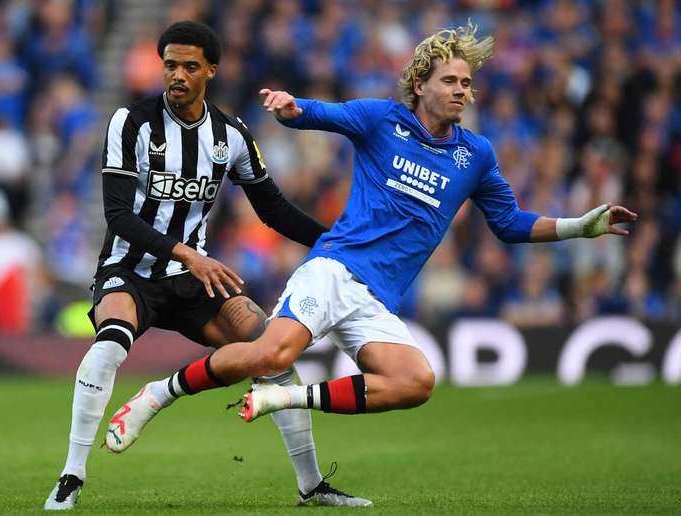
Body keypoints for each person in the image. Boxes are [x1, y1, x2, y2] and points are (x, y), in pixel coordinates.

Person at [107, 21, 638, 486]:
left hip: (376, 297)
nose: (461, 91)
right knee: (271, 355)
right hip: (334, 269)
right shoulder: (380, 119)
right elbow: (314, 113)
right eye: (450, 80)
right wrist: (289, 109)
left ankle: (286, 397)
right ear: (420, 83)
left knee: (415, 381)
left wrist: (580, 225)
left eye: (467, 83)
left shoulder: (475, 154)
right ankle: (158, 394)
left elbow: (509, 223)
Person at [44, 21, 369, 510]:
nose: (177, 74)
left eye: (189, 66)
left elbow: (272, 208)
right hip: (130, 270)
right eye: (170, 65)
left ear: (211, 71)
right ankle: (71, 475)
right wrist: (185, 253)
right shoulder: (129, 123)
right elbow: (116, 215)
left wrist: (333, 241)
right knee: (108, 347)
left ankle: (311, 485)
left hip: (193, 278)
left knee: (270, 350)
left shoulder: (231, 135)